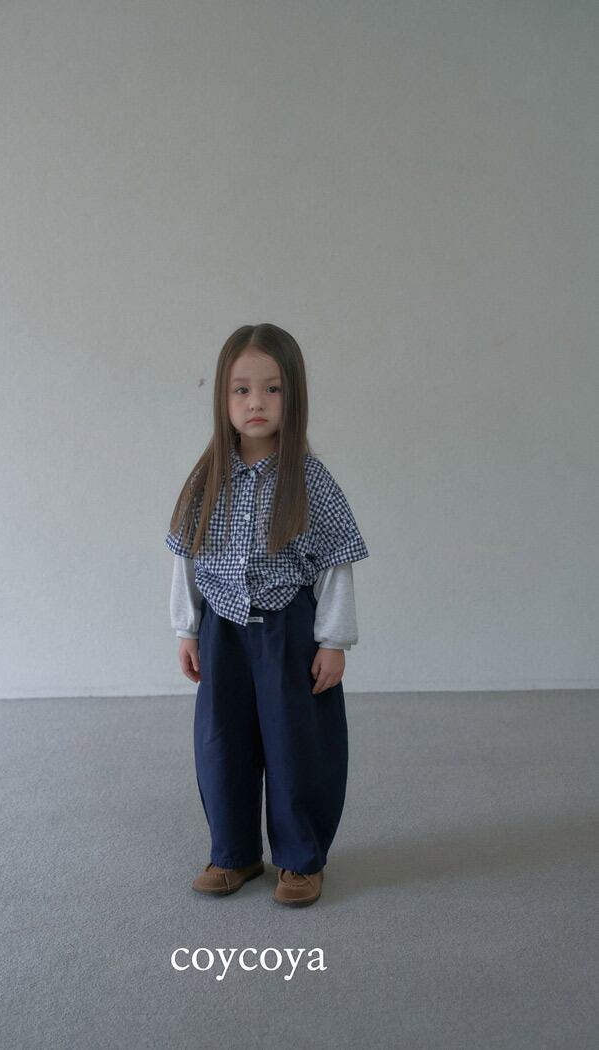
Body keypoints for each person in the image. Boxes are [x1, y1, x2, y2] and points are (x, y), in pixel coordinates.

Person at [165, 323, 370, 907]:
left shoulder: (309, 480)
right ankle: (233, 853)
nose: (256, 402)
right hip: (223, 630)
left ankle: (300, 859)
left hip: (288, 631)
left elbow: (334, 564)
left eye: (272, 389)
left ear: (293, 394)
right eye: (241, 389)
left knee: (296, 744)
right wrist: (187, 628)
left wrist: (333, 641)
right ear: (223, 397)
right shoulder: (207, 479)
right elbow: (185, 557)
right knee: (221, 741)